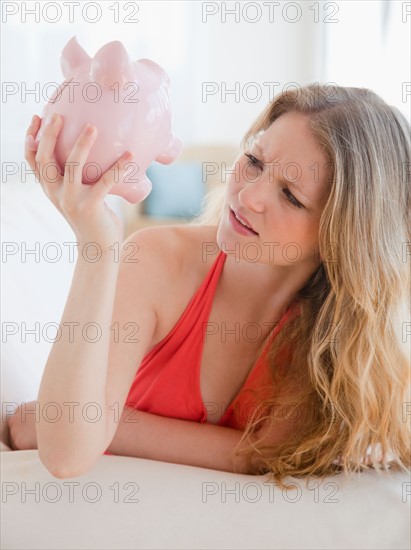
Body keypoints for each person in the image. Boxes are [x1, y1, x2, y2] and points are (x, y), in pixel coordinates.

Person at [8, 84, 410, 490]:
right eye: (254, 160)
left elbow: (274, 456)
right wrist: (98, 247)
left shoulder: (339, 341)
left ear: (342, 236)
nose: (248, 195)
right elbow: (64, 454)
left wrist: (106, 424)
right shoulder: (157, 259)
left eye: (290, 195)